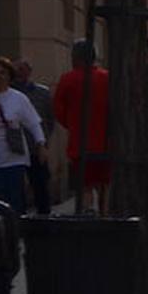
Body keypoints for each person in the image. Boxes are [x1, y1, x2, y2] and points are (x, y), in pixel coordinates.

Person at [0, 57, 47, 214]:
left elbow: (33, 123)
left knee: (15, 199)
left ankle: (16, 230)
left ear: (9, 76)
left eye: (3, 73)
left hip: (14, 158)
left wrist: (41, 144)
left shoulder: (19, 99)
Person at [52, 39, 110, 213]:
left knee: (84, 187)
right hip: (105, 144)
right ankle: (104, 216)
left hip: (79, 144)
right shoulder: (107, 78)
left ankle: (85, 217)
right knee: (104, 186)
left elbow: (58, 110)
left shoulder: (67, 79)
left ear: (75, 57)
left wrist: (73, 125)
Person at [13, 58, 54, 214]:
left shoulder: (42, 92)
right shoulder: (7, 93)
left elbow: (50, 118)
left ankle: (44, 217)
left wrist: (43, 140)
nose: (19, 73)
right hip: (14, 148)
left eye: (22, 69)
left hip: (36, 148)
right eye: (16, 69)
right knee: (17, 188)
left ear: (29, 72)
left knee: (40, 185)